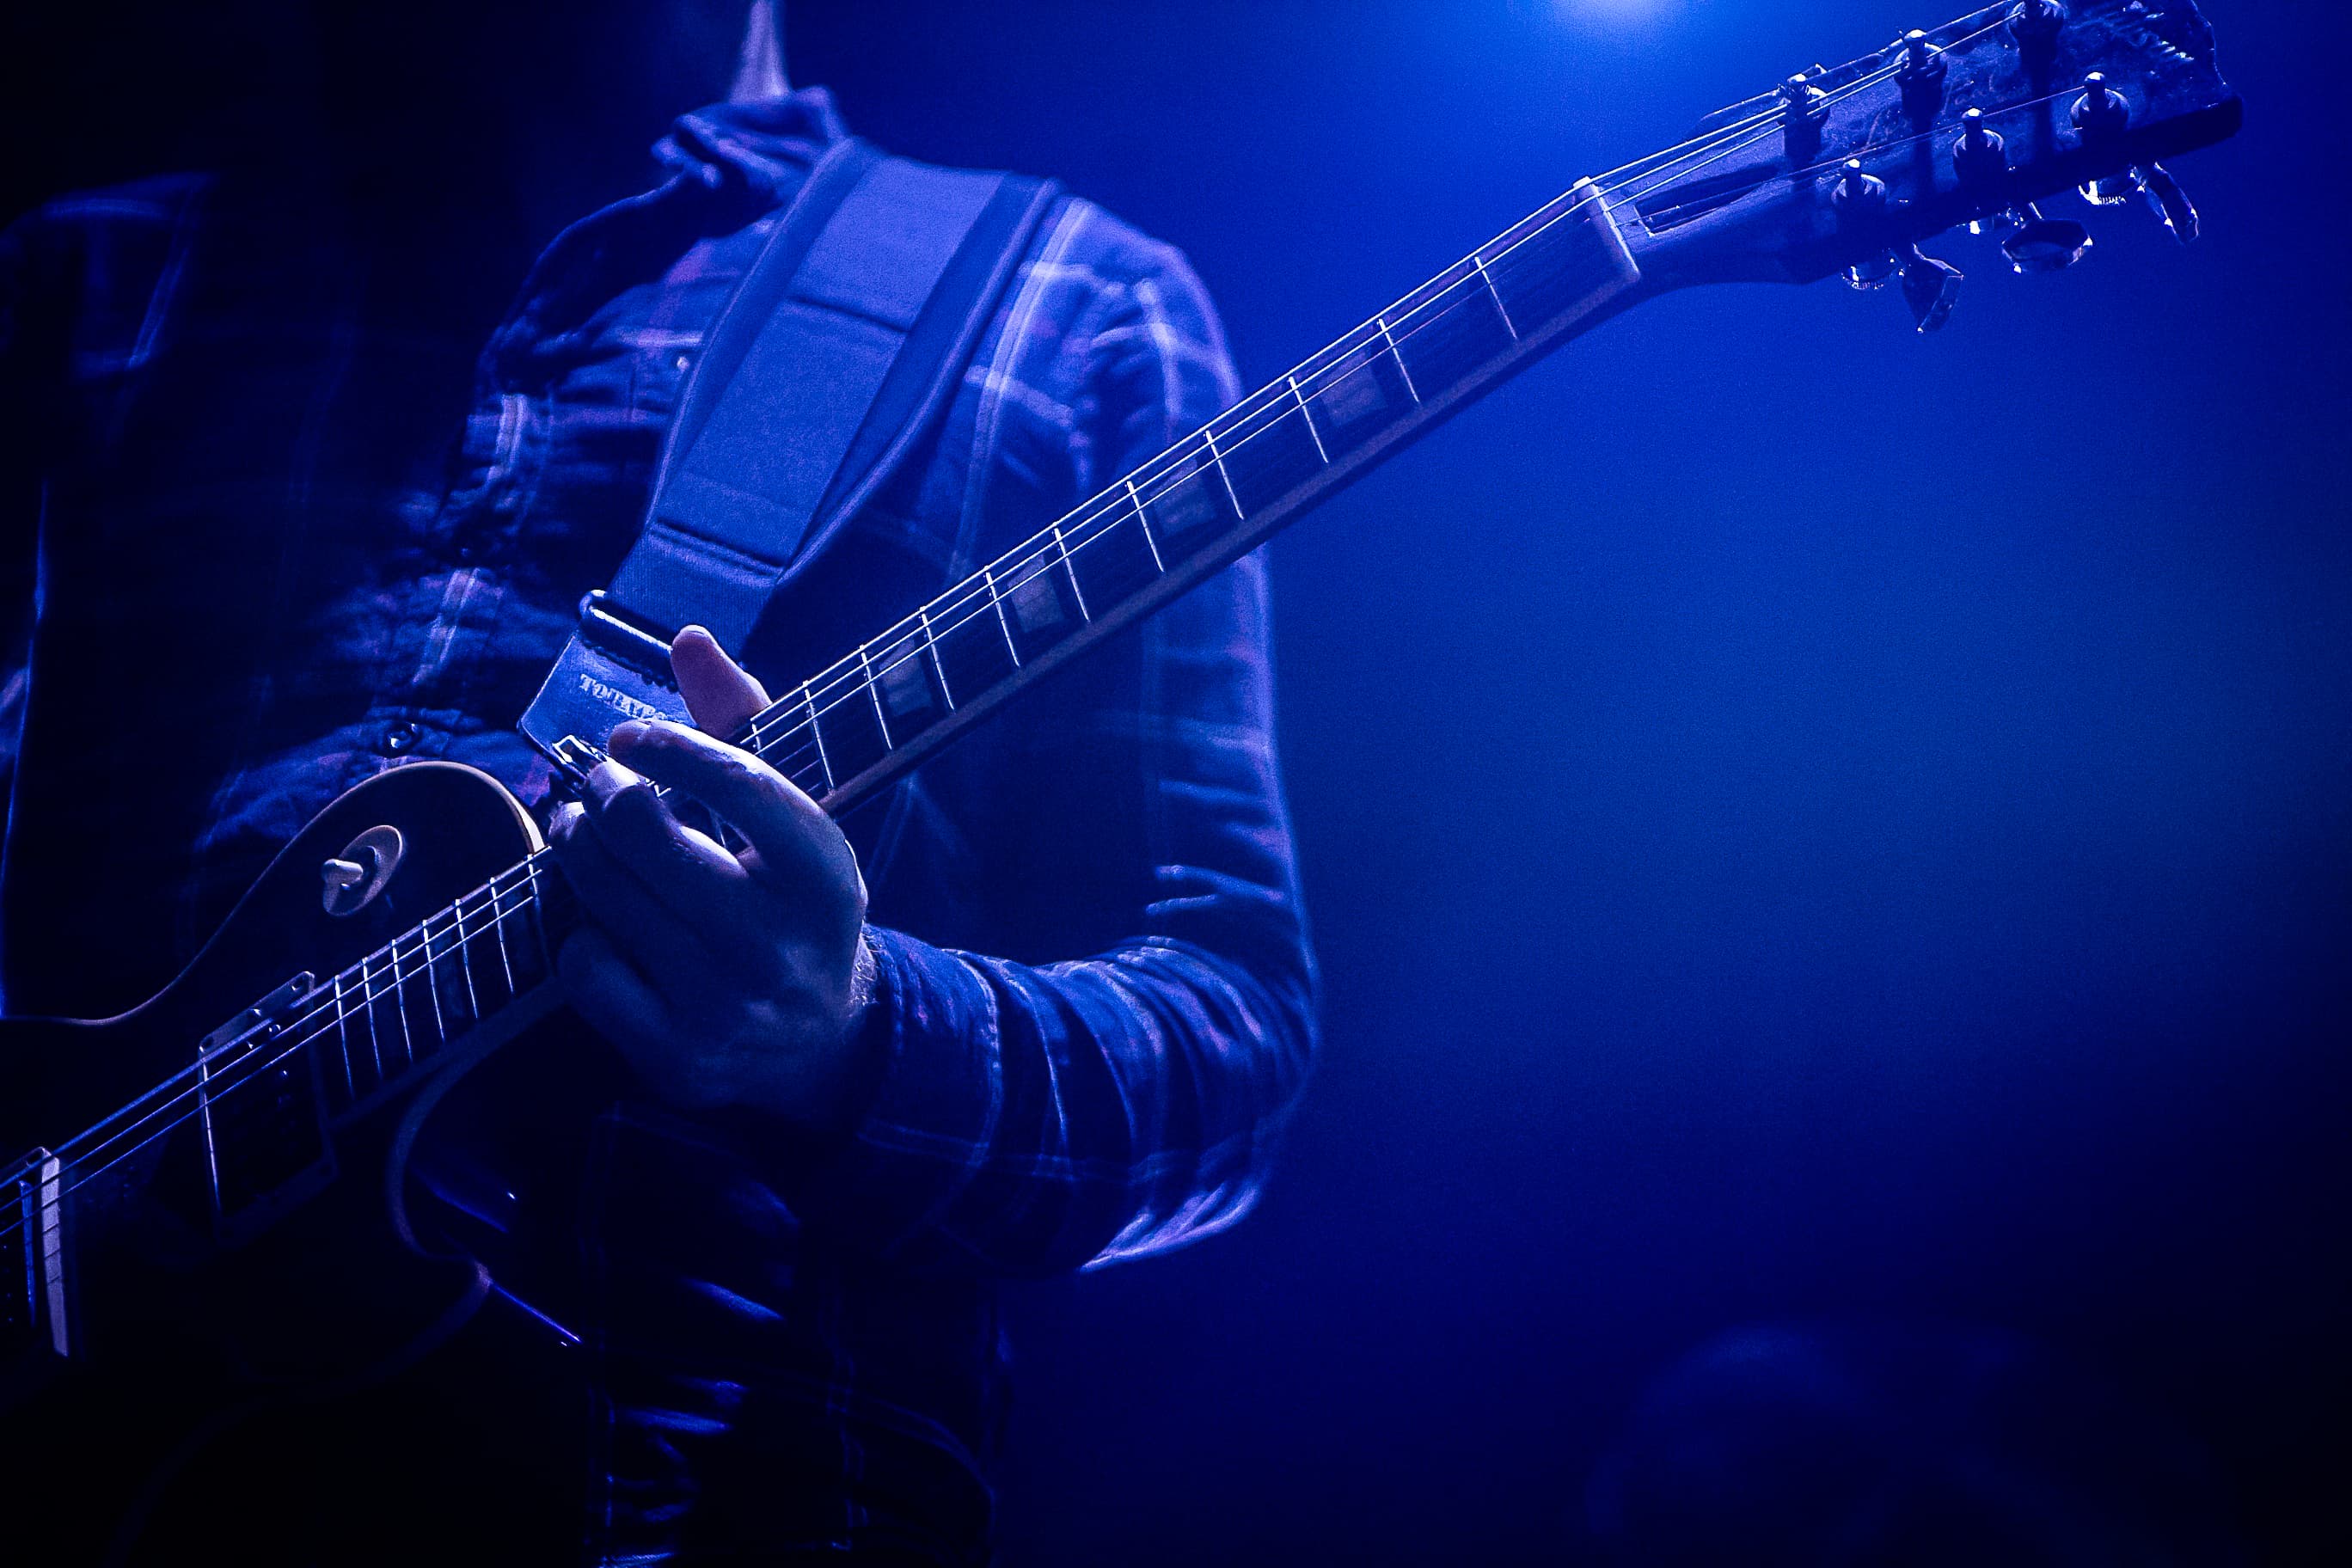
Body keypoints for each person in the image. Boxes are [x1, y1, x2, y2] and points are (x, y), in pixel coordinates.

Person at [0, 2, 1317, 1561]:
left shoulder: (1069, 306)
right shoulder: (90, 289)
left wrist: (848, 1039)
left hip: (710, 1498)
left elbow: (1226, 1044)